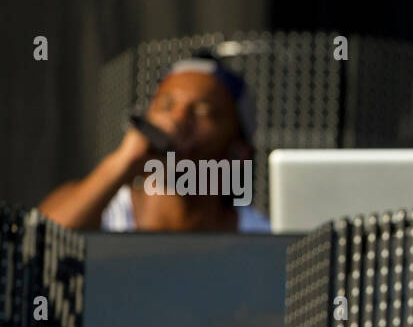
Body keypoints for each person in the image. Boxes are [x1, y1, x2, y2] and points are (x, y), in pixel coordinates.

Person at [38, 52, 271, 232]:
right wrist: (122, 163)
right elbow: (36, 247)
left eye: (202, 112)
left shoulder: (260, 238)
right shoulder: (105, 211)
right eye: (166, 106)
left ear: (239, 152)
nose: (178, 119)